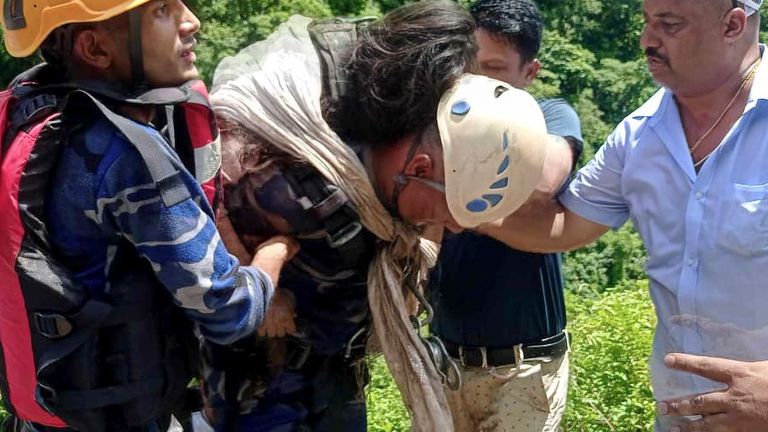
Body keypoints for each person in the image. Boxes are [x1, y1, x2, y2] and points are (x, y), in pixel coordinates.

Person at [194, 2, 556, 431]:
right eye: (451, 211)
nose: (457, 228)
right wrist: (259, 277)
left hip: (333, 383)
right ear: (420, 168)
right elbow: (204, 208)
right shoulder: (302, 199)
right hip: (260, 393)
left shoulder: (394, 149)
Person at [0, 1, 295, 431]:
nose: (191, 21)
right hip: (118, 416)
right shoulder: (128, 157)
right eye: (161, 10)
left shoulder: (27, 112)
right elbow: (226, 308)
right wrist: (274, 254)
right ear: (96, 48)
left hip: (47, 408)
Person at [480, 0, 768, 430]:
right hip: (680, 415)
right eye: (647, 21)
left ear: (732, 24)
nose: (647, 41)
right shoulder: (639, 135)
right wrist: (462, 209)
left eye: (669, 24)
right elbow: (562, 226)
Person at [428, 0, 583, 430]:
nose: (475, 80)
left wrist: (449, 199)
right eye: (470, 64)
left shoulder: (550, 114)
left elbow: (543, 181)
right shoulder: (440, 116)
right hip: (445, 364)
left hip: (524, 370)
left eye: (494, 69)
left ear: (529, 73)